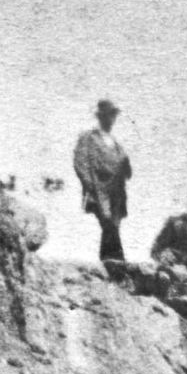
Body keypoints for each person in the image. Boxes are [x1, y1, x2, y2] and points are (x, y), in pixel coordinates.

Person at [72, 99, 132, 271]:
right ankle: (114, 261)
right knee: (107, 222)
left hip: (117, 190)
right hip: (99, 188)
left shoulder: (116, 143)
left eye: (113, 115)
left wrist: (126, 166)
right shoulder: (89, 138)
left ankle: (111, 262)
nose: (111, 119)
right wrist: (89, 185)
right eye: (108, 115)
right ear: (101, 116)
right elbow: (80, 162)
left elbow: (127, 172)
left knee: (114, 224)